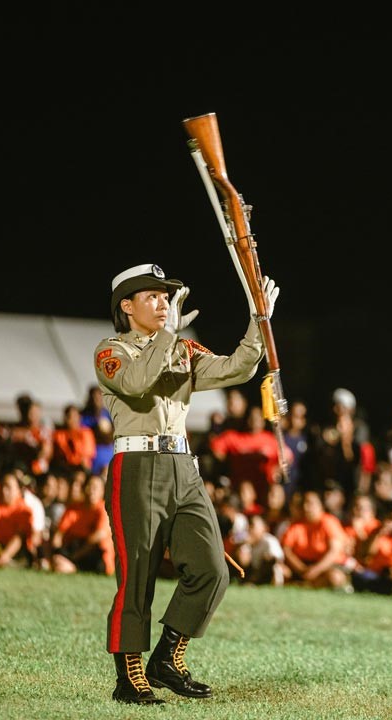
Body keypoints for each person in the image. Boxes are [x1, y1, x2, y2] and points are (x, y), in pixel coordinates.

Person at [94, 262, 278, 705]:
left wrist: (259, 320)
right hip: (136, 465)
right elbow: (138, 382)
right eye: (153, 297)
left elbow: (237, 368)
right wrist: (166, 337)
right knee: (137, 573)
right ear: (127, 306)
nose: (164, 304)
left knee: (212, 568)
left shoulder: (178, 347)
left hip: (183, 465)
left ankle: (166, 658)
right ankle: (129, 676)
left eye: (166, 296)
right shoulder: (111, 350)